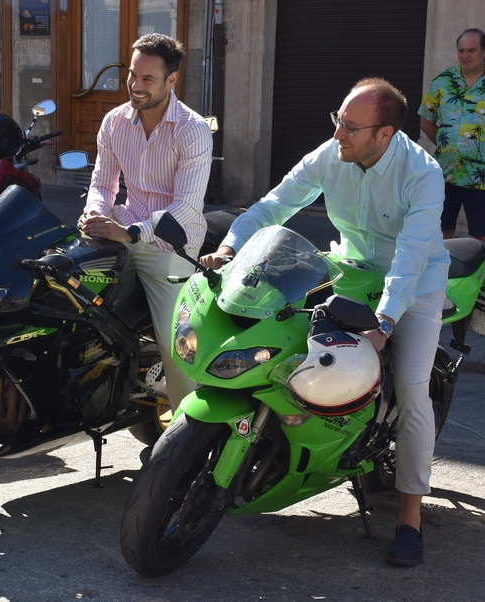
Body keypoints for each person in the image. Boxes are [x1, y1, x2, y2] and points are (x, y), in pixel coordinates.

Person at [201, 78, 449, 567]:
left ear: (385, 134)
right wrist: (231, 247)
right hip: (349, 269)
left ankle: (410, 516)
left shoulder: (423, 173)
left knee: (413, 388)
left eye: (351, 127)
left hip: (415, 285)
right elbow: (276, 205)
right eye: (338, 120)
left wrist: (384, 324)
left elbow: (411, 254)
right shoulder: (332, 153)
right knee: (282, 336)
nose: (339, 133)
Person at [78, 33, 212, 412]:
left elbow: (186, 206)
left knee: (179, 348)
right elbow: (103, 183)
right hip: (122, 229)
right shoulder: (114, 121)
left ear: (172, 80)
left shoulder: (193, 129)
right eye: (132, 75)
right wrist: (95, 211)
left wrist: (133, 232)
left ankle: (190, 428)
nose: (136, 85)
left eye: (147, 79)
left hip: (170, 245)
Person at [418, 28, 485, 324]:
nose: (465, 56)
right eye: (461, 50)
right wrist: (445, 145)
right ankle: (437, 295)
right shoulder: (443, 82)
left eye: (471, 50)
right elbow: (426, 119)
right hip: (444, 174)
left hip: (482, 177)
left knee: (484, 236)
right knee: (441, 234)